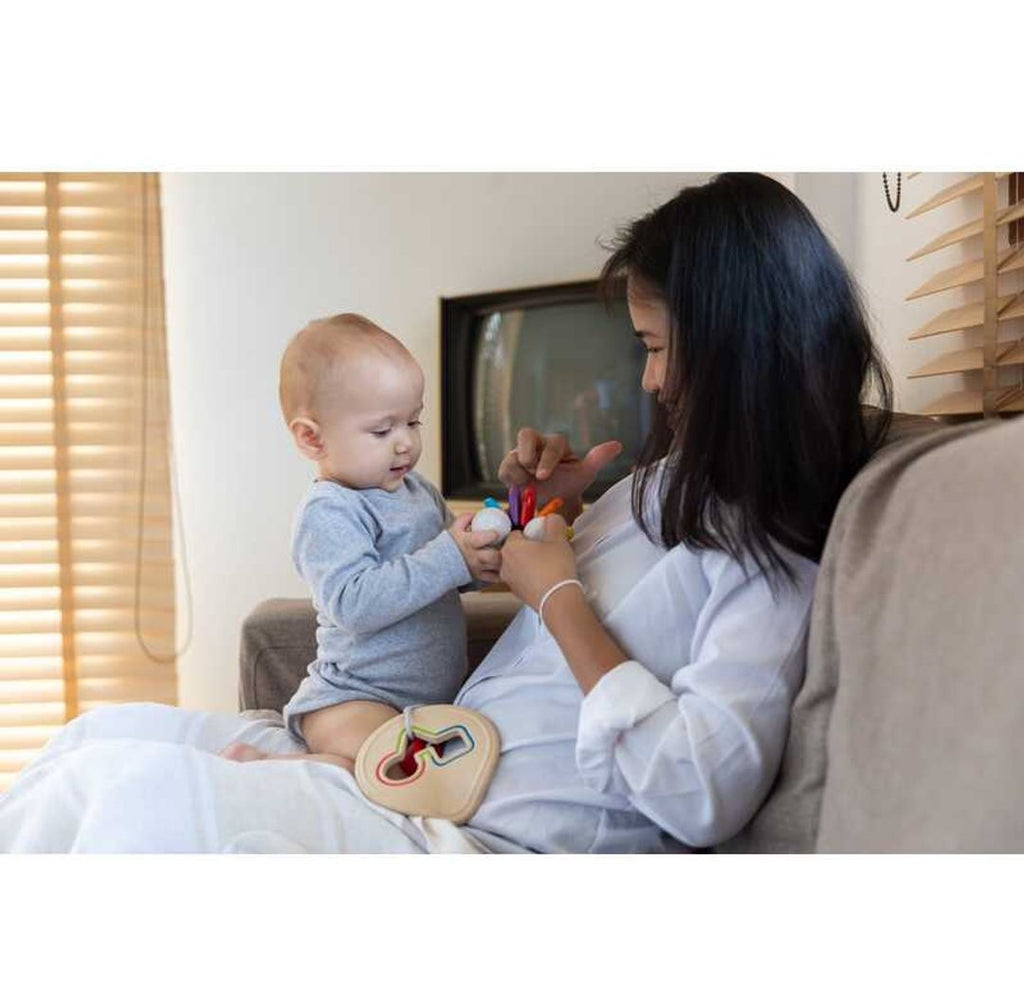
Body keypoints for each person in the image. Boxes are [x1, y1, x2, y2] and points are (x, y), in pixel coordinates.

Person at [0, 173, 892, 853]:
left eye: (658, 348)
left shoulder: (775, 557)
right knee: (91, 737)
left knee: (114, 799)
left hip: (464, 831)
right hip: (428, 765)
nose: (651, 380)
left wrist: (556, 597)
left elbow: (702, 791)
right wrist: (555, 508)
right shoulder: (679, 482)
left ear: (738, 345)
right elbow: (588, 584)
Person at [221, 313, 500, 772]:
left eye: (414, 421)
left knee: (434, 762)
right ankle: (262, 765)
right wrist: (451, 557)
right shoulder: (330, 511)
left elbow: (446, 575)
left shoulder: (417, 491)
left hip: (428, 701)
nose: (406, 443)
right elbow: (354, 603)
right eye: (381, 430)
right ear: (312, 438)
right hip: (352, 698)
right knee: (389, 768)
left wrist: (477, 562)